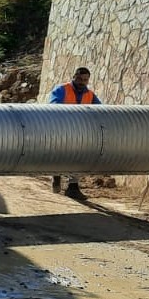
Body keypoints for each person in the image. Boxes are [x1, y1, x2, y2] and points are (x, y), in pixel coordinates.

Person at [47, 66, 101, 200]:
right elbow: (54, 107)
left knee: (78, 156)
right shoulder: (61, 89)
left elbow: (101, 110)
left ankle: (73, 187)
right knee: (59, 156)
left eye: (85, 80)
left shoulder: (90, 95)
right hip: (61, 130)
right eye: (79, 79)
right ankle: (56, 175)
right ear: (74, 77)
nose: (82, 82)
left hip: (79, 133)